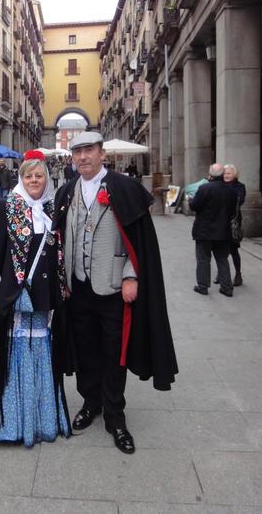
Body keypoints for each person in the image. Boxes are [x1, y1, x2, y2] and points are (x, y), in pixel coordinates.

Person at [54, 132, 177, 455]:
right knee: (85, 349)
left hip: (112, 289)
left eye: (88, 150)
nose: (83, 157)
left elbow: (139, 241)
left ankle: (115, 416)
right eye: (77, 151)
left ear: (102, 153)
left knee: (114, 353)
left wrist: (131, 275)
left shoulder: (124, 189)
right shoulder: (66, 192)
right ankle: (90, 403)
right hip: (77, 288)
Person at [0, 150, 70, 446]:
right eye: (28, 175)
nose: (34, 180)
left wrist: (62, 290)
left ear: (46, 178)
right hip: (13, 299)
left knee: (38, 350)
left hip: (42, 300)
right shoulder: (4, 207)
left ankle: (39, 417)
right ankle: (9, 422)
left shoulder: (52, 209)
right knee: (11, 354)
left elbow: (56, 256)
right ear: (20, 178)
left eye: (39, 175)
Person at [189, 163, 237, 297]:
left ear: (210, 175)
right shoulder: (231, 191)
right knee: (222, 259)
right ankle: (227, 287)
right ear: (222, 175)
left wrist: (190, 200)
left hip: (204, 231)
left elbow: (194, 206)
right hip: (223, 231)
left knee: (203, 259)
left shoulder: (204, 188)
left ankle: (203, 286)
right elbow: (233, 211)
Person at [223, 164, 246, 286]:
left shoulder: (239, 186)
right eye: (225, 173)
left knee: (233, 249)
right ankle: (222, 273)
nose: (226, 175)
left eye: (229, 173)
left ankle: (238, 274)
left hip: (233, 221)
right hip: (221, 220)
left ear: (234, 175)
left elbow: (240, 200)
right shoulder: (220, 185)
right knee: (221, 249)